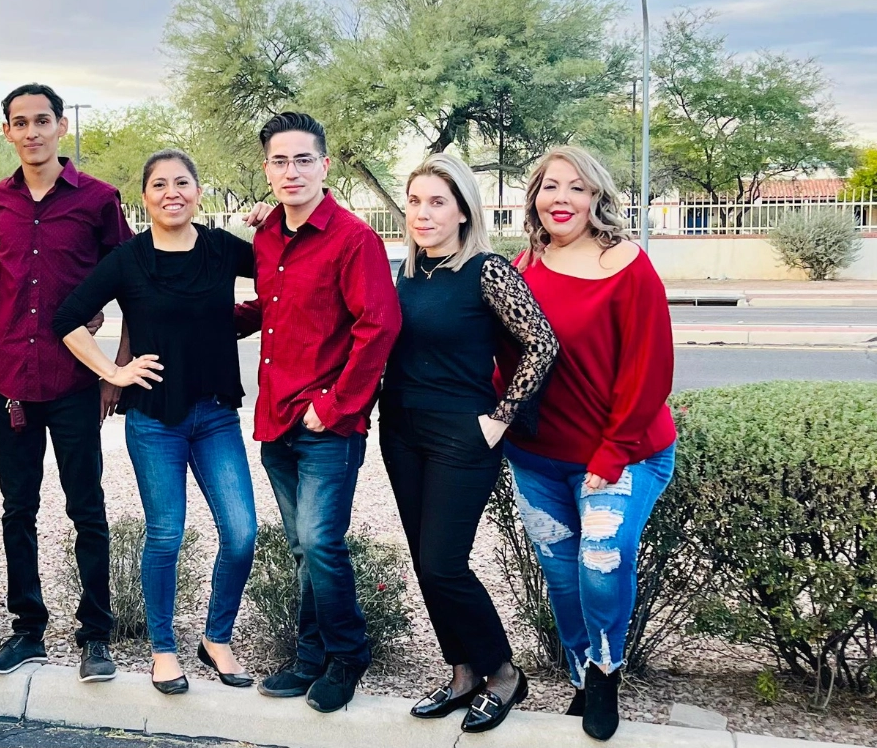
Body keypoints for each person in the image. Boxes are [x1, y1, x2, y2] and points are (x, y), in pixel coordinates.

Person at [54, 150, 259, 695]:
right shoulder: (129, 259)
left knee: (242, 533)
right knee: (166, 534)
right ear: (144, 197)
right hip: (153, 421)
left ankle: (217, 638)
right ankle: (163, 649)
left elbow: (288, 268)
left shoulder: (221, 249)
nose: (173, 193)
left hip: (215, 416)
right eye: (160, 185)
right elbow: (66, 318)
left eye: (182, 182)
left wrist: (272, 222)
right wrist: (113, 371)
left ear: (198, 191)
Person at [496, 146, 676, 742]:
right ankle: (581, 674)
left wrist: (614, 449)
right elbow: (510, 360)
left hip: (621, 453)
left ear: (596, 197)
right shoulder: (523, 268)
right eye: (551, 186)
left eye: (577, 187)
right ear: (535, 198)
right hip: (538, 459)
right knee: (563, 577)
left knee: (601, 561)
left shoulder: (627, 265)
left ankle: (605, 671)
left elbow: (649, 368)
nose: (562, 198)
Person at [379, 155, 558, 733]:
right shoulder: (405, 274)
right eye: (415, 201)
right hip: (400, 430)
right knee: (424, 562)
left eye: (437, 202)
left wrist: (500, 418)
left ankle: (502, 673)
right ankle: (461, 672)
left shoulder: (488, 271)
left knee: (444, 563)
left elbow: (542, 343)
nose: (423, 213)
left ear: (462, 211)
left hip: (462, 435)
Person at [239, 110, 401, 713]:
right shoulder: (267, 236)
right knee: (302, 548)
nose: (292, 171)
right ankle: (310, 658)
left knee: (320, 542)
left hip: (326, 424)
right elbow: (273, 307)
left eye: (303, 159)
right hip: (275, 418)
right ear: (266, 169)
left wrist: (333, 407)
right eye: (280, 161)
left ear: (325, 165)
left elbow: (379, 326)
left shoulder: (354, 239)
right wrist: (198, 318)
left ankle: (347, 655)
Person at [0, 84, 134, 683]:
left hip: (75, 380)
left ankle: (96, 636)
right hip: (14, 381)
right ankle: (27, 630)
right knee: (17, 509)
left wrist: (114, 371)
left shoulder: (98, 199)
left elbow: (130, 284)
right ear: (7, 132)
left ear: (61, 126)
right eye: (20, 123)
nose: (32, 132)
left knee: (86, 508)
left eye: (42, 120)